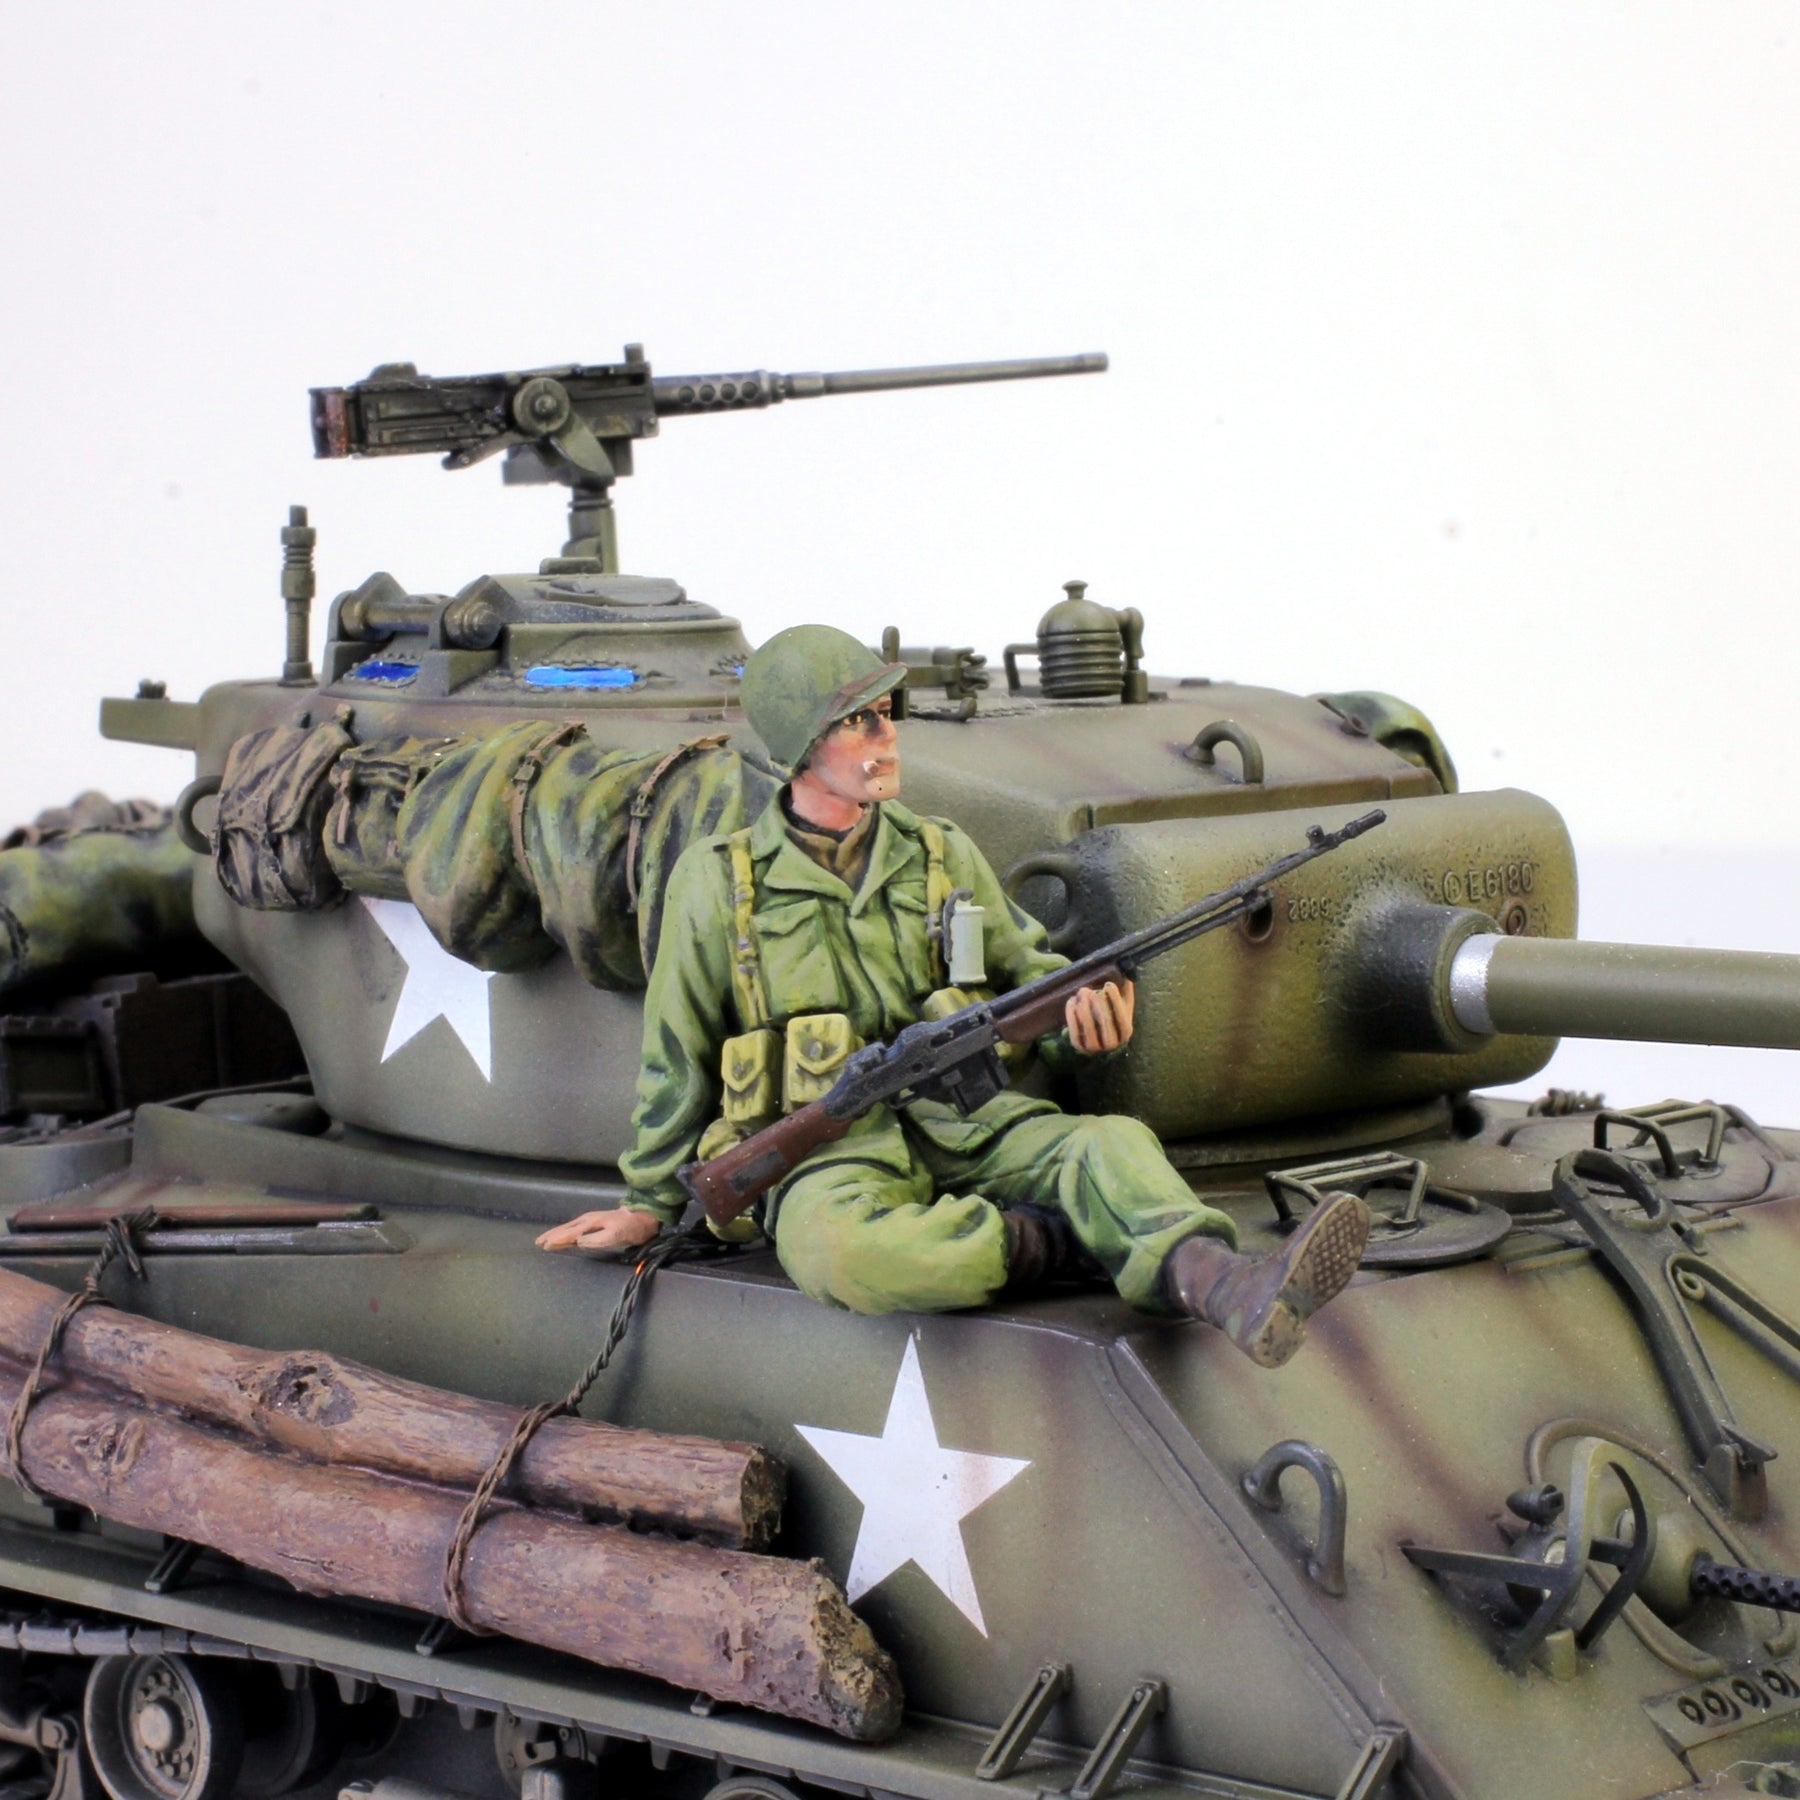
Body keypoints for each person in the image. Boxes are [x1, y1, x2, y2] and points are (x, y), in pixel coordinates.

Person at [538, 626, 1368, 1365]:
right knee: (846, 1257)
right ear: (801, 746)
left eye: (886, 714)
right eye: (859, 722)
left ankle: (1227, 1286)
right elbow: (677, 1056)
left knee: (1110, 1147)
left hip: (966, 1124)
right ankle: (1067, 1242)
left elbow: (1031, 977)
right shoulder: (719, 884)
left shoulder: (938, 852)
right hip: (830, 1155)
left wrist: (1082, 1022)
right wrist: (650, 1204)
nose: (886, 737)